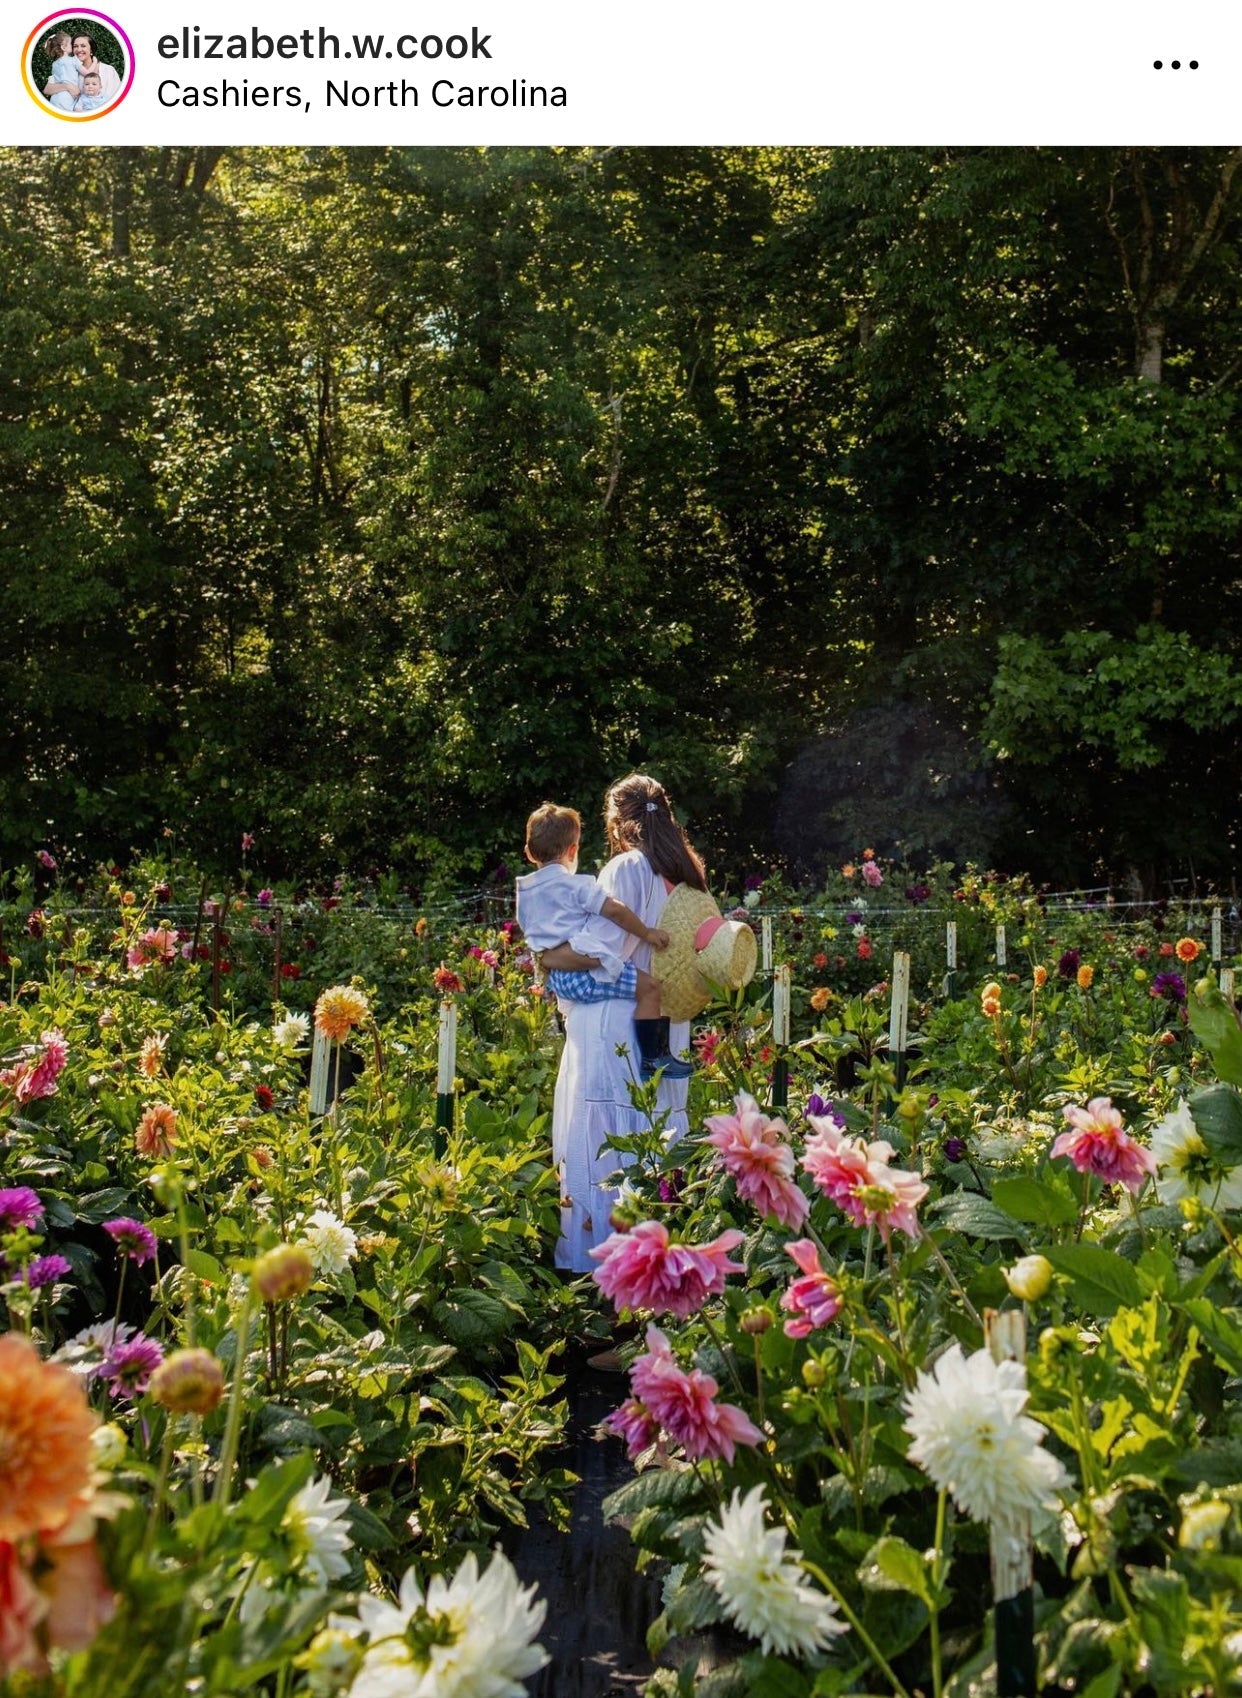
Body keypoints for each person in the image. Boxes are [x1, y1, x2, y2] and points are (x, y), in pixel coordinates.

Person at [540, 773, 709, 1273]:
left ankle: (608, 1290)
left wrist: (549, 956)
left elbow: (600, 950)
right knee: (655, 1141)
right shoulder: (686, 874)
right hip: (662, 1023)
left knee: (609, 1145)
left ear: (616, 823)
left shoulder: (627, 868)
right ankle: (654, 1282)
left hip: (614, 1024)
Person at [515, 803, 692, 1079]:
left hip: (556, 977)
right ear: (573, 850)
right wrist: (646, 933)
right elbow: (614, 911)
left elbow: (533, 933)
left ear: (528, 852)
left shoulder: (524, 891)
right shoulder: (576, 886)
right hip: (581, 974)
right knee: (649, 988)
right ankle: (653, 1057)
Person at [69, 34, 121, 104]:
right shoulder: (68, 70)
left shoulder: (108, 70)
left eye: (83, 46)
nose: (78, 49)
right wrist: (66, 86)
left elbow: (119, 96)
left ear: (91, 50)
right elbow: (49, 88)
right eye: (75, 46)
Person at [42, 31, 81, 111]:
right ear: (63, 47)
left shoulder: (54, 64)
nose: (73, 46)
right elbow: (47, 89)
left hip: (55, 99)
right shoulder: (73, 60)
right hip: (66, 100)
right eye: (71, 44)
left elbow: (50, 85)